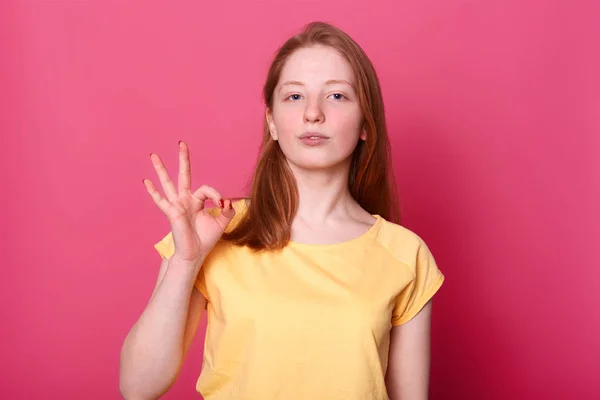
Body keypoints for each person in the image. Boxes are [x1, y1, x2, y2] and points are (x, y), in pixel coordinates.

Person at [119, 21, 444, 400]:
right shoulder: (214, 232)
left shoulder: (406, 255)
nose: (313, 114)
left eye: (337, 96)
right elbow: (137, 388)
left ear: (365, 125)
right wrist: (185, 262)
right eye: (294, 97)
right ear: (272, 121)